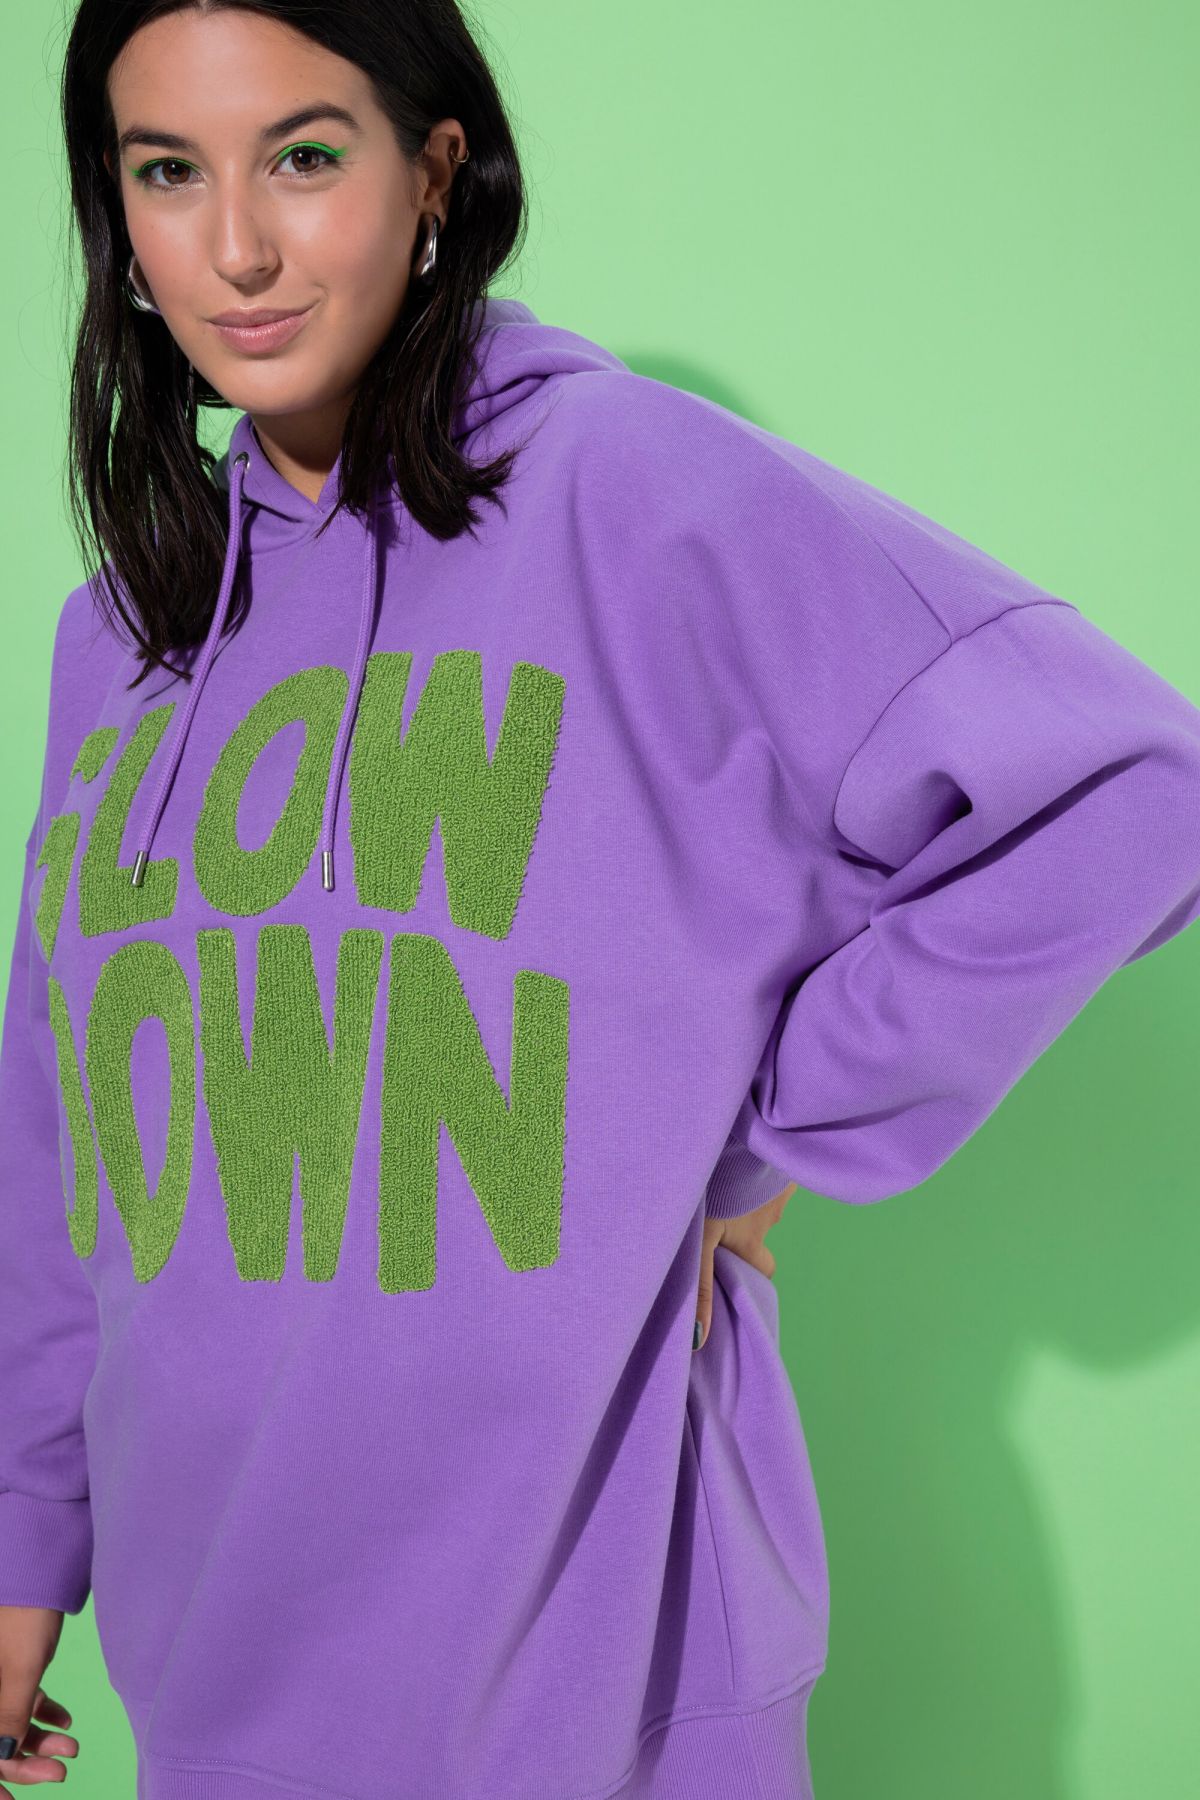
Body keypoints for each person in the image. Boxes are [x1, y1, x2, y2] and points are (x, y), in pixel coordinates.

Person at [2, 3, 1199, 1796]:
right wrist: (23, 1545)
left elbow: (1127, 789)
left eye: (305, 155)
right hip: (215, 1664)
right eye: (168, 171)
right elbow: (61, 1124)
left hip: (596, 1665)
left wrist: (769, 1135)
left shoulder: (632, 492)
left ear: (435, 171)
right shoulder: (126, 635)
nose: (235, 246)